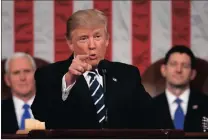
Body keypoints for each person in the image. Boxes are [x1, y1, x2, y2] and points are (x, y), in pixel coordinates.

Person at [31, 9, 154, 129]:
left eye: (97, 36)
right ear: (70, 42)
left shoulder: (127, 74)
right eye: (83, 38)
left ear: (107, 40)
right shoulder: (49, 74)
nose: (92, 45)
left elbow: (151, 117)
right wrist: (68, 82)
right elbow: (41, 115)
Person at [153, 45, 208, 132]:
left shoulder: (206, 104)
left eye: (185, 66)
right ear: (164, 70)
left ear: (193, 74)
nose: (178, 70)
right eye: (173, 64)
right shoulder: (149, 107)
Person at [2, 52, 36, 133]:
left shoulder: (55, 109)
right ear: (7, 80)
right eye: (16, 73)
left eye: (27, 71)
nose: (22, 77)